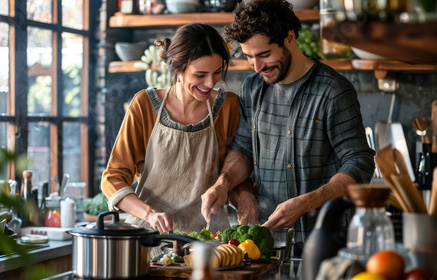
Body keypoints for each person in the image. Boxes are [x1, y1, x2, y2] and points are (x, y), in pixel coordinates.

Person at [201, 0, 376, 244]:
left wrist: (306, 202)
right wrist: (224, 183)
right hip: (267, 243)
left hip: (324, 239)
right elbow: (243, 149)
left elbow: (360, 162)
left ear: (290, 38)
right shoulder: (252, 87)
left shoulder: (333, 90)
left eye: (264, 55)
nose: (257, 66)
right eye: (250, 57)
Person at [101, 23, 245, 234]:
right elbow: (113, 177)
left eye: (217, 72)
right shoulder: (144, 105)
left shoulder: (229, 106)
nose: (210, 82)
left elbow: (236, 171)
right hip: (150, 237)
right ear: (178, 68)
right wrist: (149, 214)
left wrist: (245, 196)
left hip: (209, 238)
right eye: (200, 75)